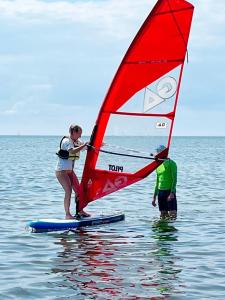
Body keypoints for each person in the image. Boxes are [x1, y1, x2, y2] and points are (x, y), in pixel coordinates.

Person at [55, 124, 90, 219]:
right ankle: (67, 214)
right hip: (61, 171)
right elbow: (72, 151)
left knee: (79, 191)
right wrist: (83, 145)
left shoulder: (77, 141)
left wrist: (95, 144)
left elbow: (85, 147)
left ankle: (80, 210)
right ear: (73, 132)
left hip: (70, 172)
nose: (80, 136)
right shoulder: (67, 141)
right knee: (68, 191)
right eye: (79, 133)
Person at [152, 145, 177, 219]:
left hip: (169, 191)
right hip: (160, 192)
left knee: (173, 215)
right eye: (156, 152)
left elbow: (174, 179)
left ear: (163, 152)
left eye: (158, 152)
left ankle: (171, 229)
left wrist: (172, 193)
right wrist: (154, 197)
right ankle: (163, 230)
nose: (156, 154)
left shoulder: (171, 163)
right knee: (163, 215)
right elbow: (157, 181)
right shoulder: (158, 165)